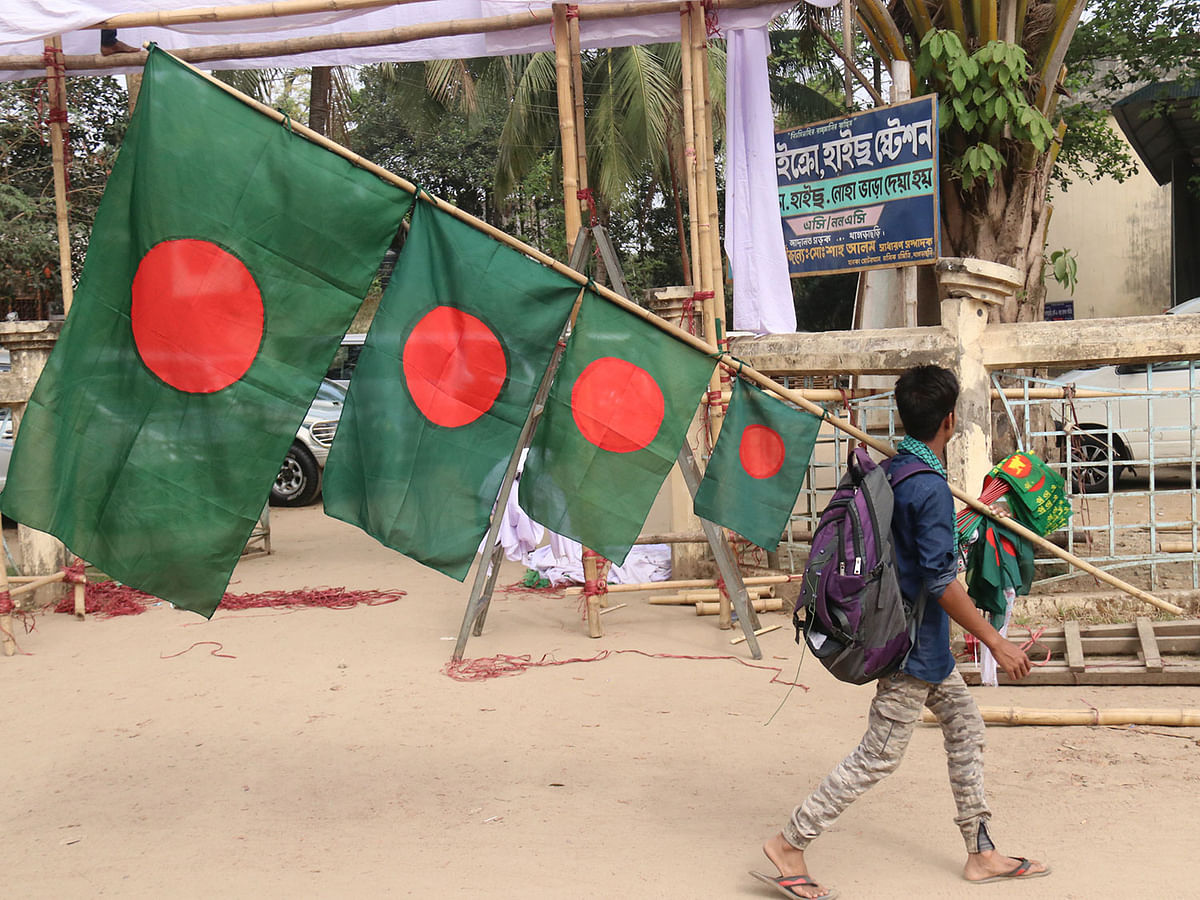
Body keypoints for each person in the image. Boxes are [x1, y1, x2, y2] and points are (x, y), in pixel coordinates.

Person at [751, 365, 1049, 900]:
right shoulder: (927, 485)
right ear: (951, 419)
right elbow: (940, 582)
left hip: (922, 642)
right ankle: (790, 842)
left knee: (965, 726)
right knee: (879, 755)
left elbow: (911, 553)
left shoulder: (896, 470)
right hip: (910, 648)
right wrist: (997, 641)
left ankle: (980, 851)